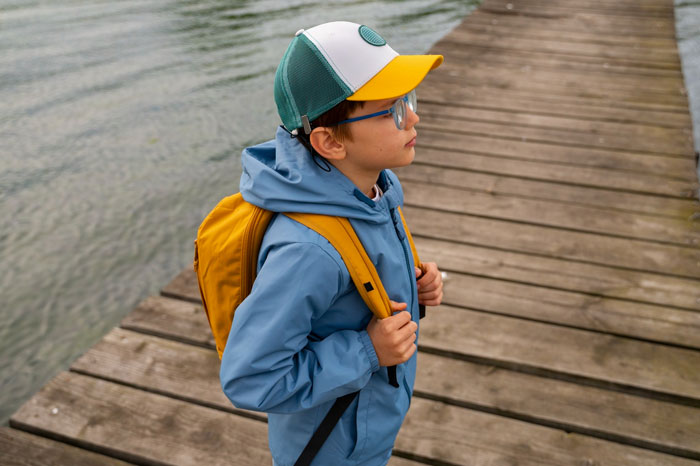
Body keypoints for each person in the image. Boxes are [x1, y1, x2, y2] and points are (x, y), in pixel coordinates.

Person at [219, 21, 444, 466]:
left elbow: (355, 283)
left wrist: (411, 283)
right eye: (391, 111)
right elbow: (250, 379)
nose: (413, 118)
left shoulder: (371, 189)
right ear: (329, 142)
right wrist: (367, 350)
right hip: (328, 449)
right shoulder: (306, 251)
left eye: (409, 102)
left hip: (366, 428)